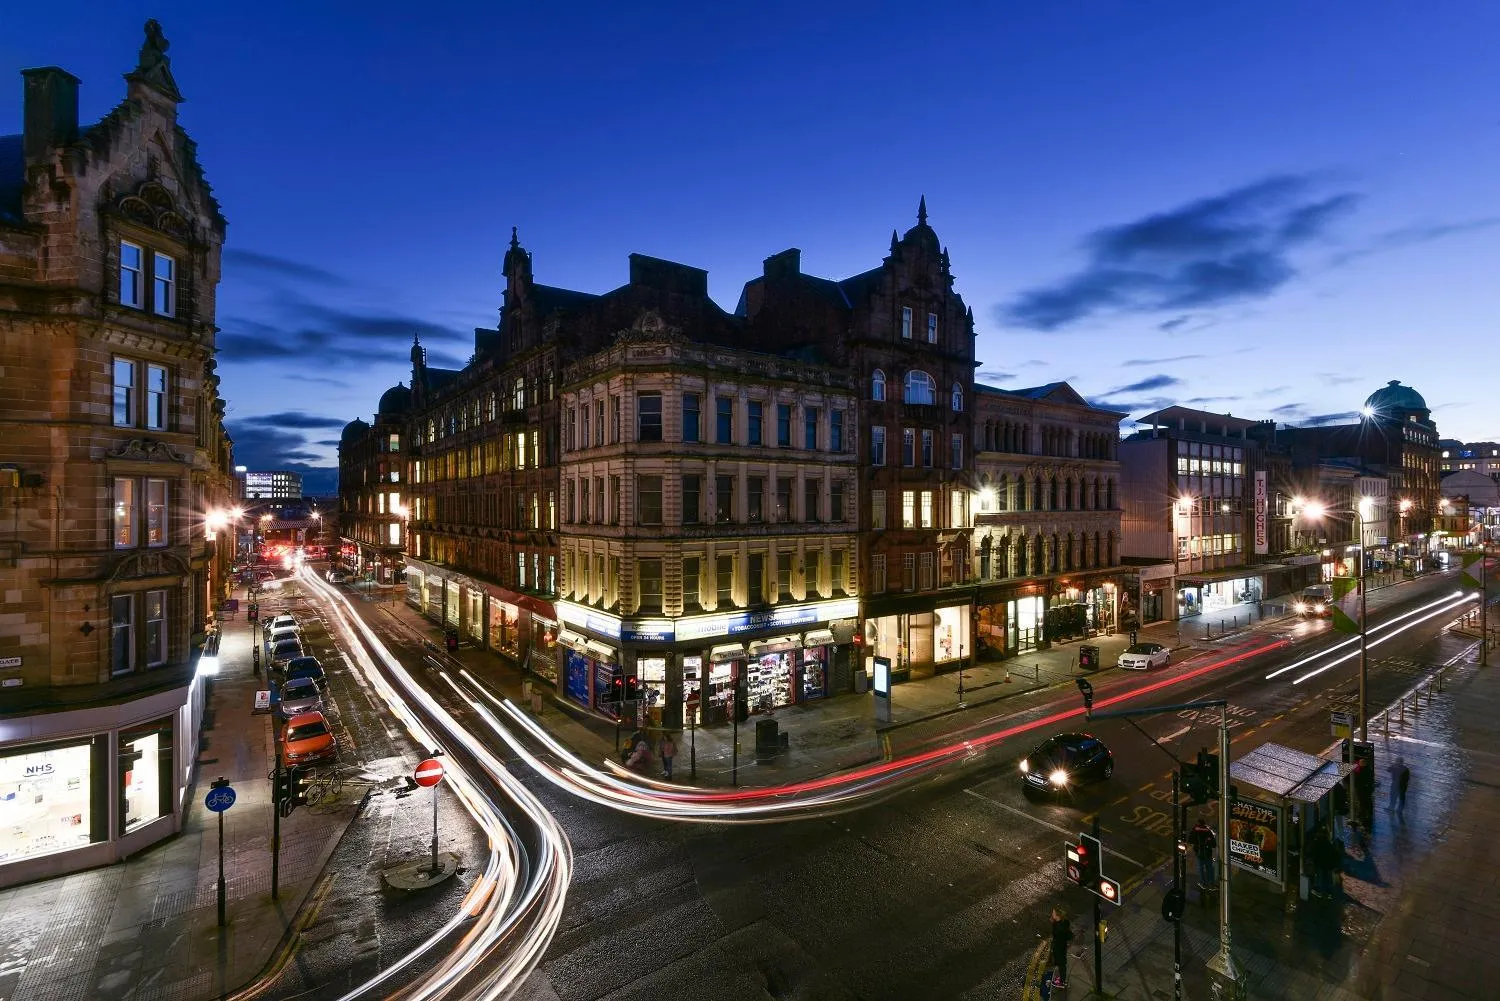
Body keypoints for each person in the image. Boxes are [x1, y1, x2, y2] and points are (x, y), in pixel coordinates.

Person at [1188, 816, 1217, 891]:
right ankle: (1211, 885)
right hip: (1208, 853)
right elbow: (1214, 844)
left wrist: (1196, 844)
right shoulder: (1208, 831)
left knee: (1200, 868)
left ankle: (1203, 883)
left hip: (1199, 853)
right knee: (1209, 869)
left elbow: (1190, 840)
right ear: (1204, 824)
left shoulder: (1194, 830)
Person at [1049, 906, 1073, 989]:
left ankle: (1062, 982)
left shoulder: (1058, 928)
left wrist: (1054, 948)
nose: (1052, 914)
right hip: (1063, 946)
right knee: (1062, 964)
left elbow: (1057, 938)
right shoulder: (1064, 921)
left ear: (1057, 915)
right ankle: (1062, 979)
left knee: (1061, 964)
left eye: (1053, 913)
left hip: (1059, 947)